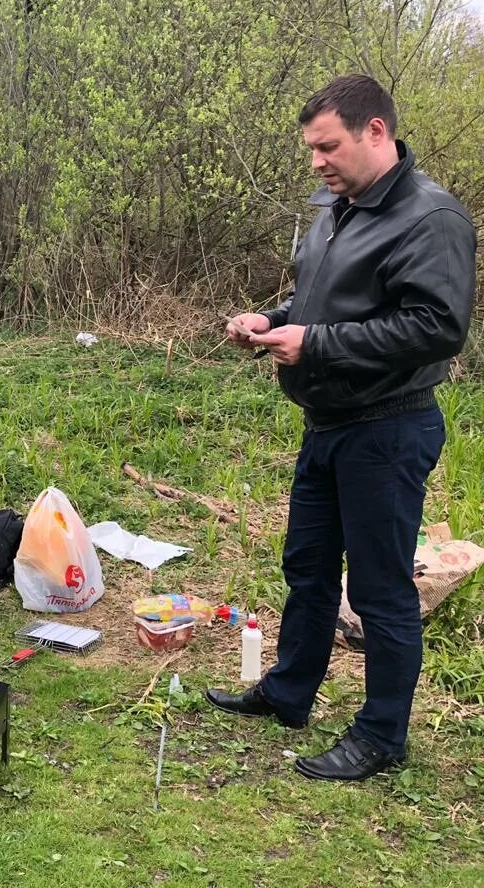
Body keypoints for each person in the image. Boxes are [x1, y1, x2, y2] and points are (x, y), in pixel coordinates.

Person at [205, 74, 476, 781]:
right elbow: (318, 295)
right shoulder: (340, 207)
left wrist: (317, 344)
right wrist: (274, 320)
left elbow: (436, 328)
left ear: (376, 132)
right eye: (312, 151)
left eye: (328, 147)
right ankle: (290, 694)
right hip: (327, 424)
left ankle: (382, 737)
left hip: (387, 429)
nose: (318, 163)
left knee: (382, 589)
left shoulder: (430, 217)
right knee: (308, 569)